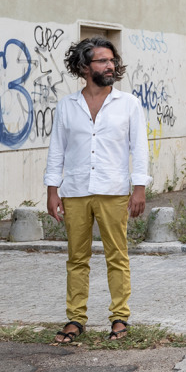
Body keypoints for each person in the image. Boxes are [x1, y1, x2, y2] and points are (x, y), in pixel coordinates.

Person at [45, 37, 150, 344]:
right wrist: (52, 191)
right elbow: (56, 151)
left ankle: (120, 318)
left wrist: (139, 187)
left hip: (113, 190)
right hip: (75, 190)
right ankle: (75, 319)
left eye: (112, 60)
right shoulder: (67, 106)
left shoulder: (128, 104)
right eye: (102, 61)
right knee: (76, 259)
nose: (110, 66)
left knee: (117, 256)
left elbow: (139, 148)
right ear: (83, 67)